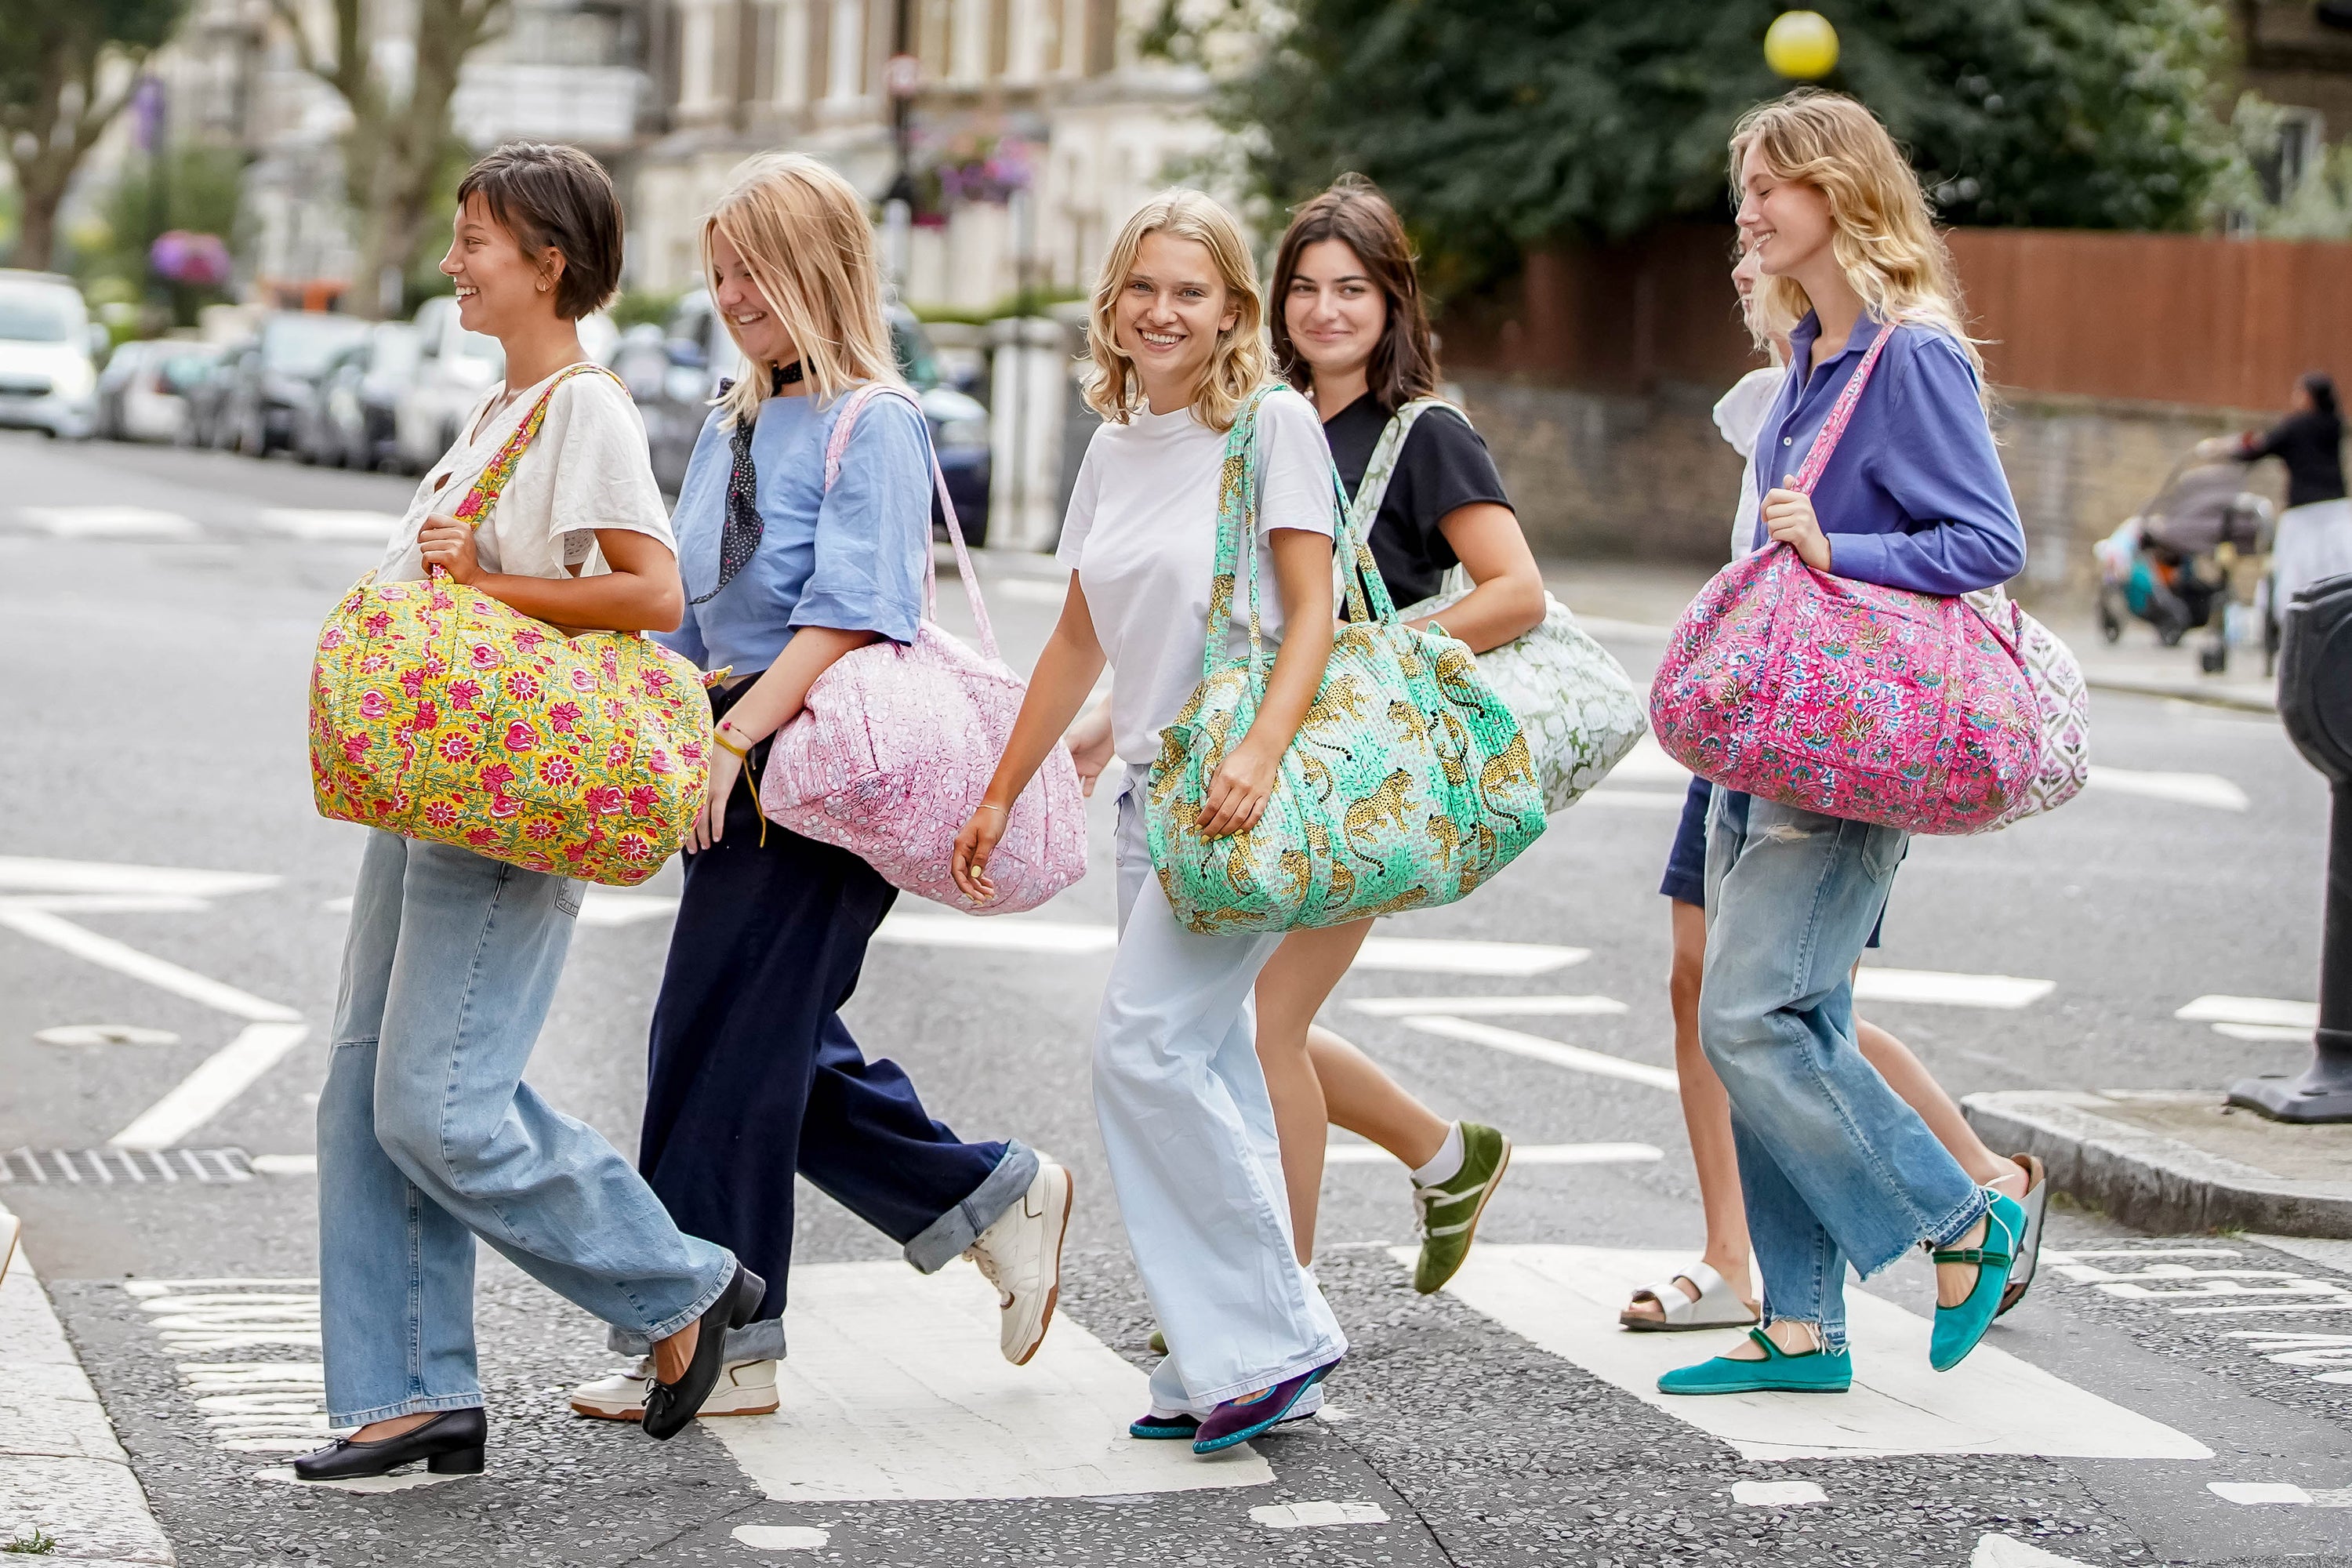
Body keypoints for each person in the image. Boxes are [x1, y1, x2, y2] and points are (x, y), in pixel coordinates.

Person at [566, 154, 1069, 1425]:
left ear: (823, 270)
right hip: (725, 757)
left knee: (718, 1044)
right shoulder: (737, 419)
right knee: (749, 1039)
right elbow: (686, 609)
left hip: (817, 766)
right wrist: (668, 725)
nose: (733, 292)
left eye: (757, 269)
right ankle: (982, 1198)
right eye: (720, 267)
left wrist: (740, 743)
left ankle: (718, 1341)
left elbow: (855, 613)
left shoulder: (876, 421)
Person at [303, 143, 758, 1482]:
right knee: (360, 1090)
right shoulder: (507, 407)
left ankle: (676, 1284)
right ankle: (410, 1391)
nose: (455, 262)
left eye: (477, 242)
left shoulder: (585, 409)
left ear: (549, 263)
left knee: (438, 1108)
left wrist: (482, 588)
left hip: (509, 801)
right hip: (436, 782)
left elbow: (651, 595)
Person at [1066, 174, 1544, 1293]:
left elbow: (1516, 592)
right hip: (1251, 757)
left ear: (1395, 304)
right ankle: (1439, 1154)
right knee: (1230, 1023)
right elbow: (1217, 618)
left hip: (1343, 767)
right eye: (1306, 290)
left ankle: (1277, 1293)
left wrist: (1362, 669)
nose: (1326, 311)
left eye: (1355, 290)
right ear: (1268, 305)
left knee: (1257, 1028)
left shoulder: (1425, 436)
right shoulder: (1252, 421)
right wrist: (1106, 717)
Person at [953, 189, 1347, 1456]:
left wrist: (1260, 749)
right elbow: (1080, 632)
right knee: (1210, 1065)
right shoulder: (1120, 444)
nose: (1163, 311)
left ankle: (1275, 1335)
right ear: (1113, 305)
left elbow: (1313, 609)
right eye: (1143, 287)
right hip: (1150, 805)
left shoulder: (1269, 427)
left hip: (1240, 800)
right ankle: (1222, 1352)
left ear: (1233, 308)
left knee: (1140, 1048)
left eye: (1192, 291)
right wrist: (1008, 782)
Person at [1657, 90, 2031, 1398]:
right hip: (1770, 737)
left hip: (1853, 738)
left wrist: (1841, 547)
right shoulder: (1812, 356)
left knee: (1749, 1017)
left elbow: (1988, 543)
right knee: (1786, 1014)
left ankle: (1964, 1215)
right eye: (1745, 188)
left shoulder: (1911, 354)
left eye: (1773, 186)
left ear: (1840, 191)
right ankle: (1803, 1330)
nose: (1750, 209)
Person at [2202, 372, 2352, 609]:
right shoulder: (2333, 425)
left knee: (2296, 568)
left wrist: (2221, 449)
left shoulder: (2296, 426)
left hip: (2304, 509)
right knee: (2337, 566)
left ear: (2309, 397)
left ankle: (2289, 617)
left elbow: (2257, 448)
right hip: (2336, 505)